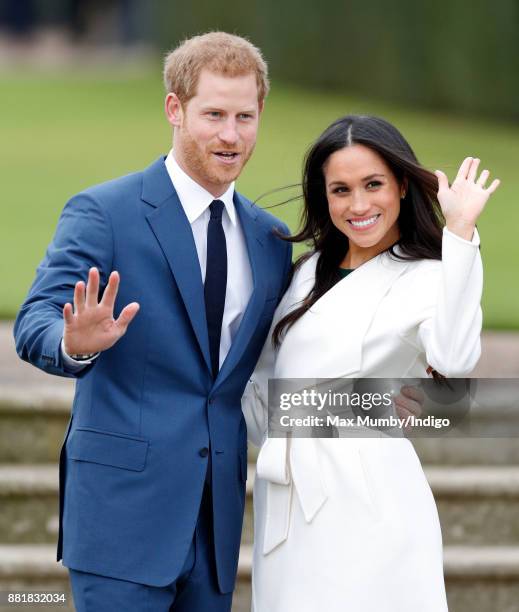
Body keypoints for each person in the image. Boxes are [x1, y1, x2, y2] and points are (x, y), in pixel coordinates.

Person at [13, 32, 292, 612]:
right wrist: (73, 342)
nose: (230, 135)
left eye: (244, 116)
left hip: (215, 529)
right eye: (213, 114)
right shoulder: (105, 212)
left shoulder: (269, 239)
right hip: (121, 523)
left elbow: (268, 369)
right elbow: (33, 321)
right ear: (175, 108)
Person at [242, 115, 500, 611]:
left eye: (373, 185)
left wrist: (462, 234)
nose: (358, 205)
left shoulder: (430, 274)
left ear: (402, 185)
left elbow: (454, 356)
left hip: (370, 500)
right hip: (287, 500)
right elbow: (260, 397)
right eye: (341, 190)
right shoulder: (305, 273)